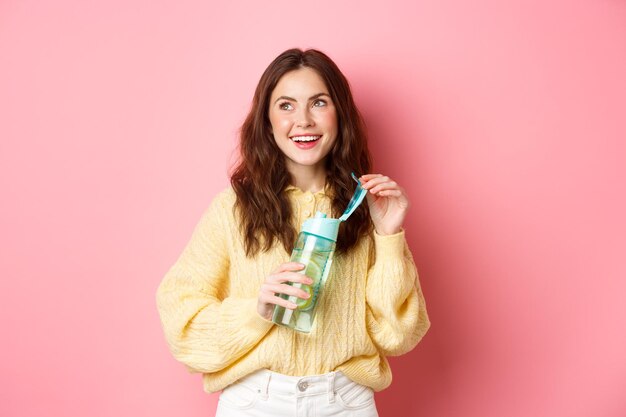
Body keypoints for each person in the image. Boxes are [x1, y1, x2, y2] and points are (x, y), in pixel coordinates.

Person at [156, 48, 430, 417]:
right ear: (267, 122)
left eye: (318, 103)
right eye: (286, 106)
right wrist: (257, 310)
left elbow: (397, 333)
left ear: (340, 115)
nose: (303, 120)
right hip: (254, 402)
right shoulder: (232, 210)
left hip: (345, 403)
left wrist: (389, 236)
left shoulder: (367, 209)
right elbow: (182, 322)